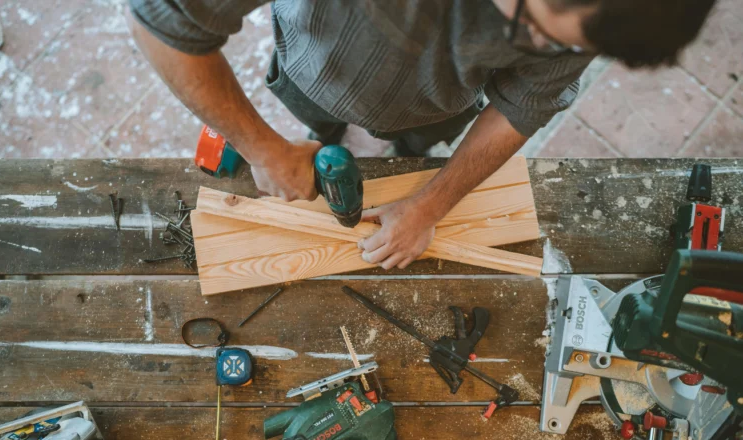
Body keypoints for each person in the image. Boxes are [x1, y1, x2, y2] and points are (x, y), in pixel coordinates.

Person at [127, 0, 715, 270]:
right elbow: (162, 21)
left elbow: (525, 100)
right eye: (532, 30)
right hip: (316, 65)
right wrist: (263, 147)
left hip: (437, 108)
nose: (543, 53)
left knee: (413, 147)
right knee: (316, 117)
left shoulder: (590, 19)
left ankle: (397, 145)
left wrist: (432, 203)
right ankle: (318, 129)